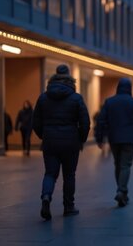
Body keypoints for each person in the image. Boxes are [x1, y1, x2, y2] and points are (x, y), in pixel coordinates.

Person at [33, 65, 90, 220]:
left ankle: (46, 196)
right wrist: (81, 139)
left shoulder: (43, 97)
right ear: (70, 79)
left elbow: (36, 121)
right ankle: (68, 207)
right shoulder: (76, 98)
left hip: (50, 141)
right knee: (69, 175)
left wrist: (43, 136)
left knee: (50, 173)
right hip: (71, 141)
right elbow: (85, 122)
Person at [95, 78, 133, 207]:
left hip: (114, 138)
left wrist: (99, 138)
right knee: (126, 165)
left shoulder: (109, 102)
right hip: (129, 138)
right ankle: (121, 190)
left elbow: (101, 120)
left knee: (118, 164)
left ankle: (122, 191)